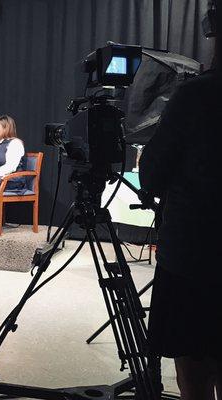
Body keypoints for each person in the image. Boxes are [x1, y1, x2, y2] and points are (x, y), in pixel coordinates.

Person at [139, 16, 222, 399]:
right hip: (195, 258)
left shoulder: (196, 97)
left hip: (195, 262)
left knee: (195, 376)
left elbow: (152, 175)